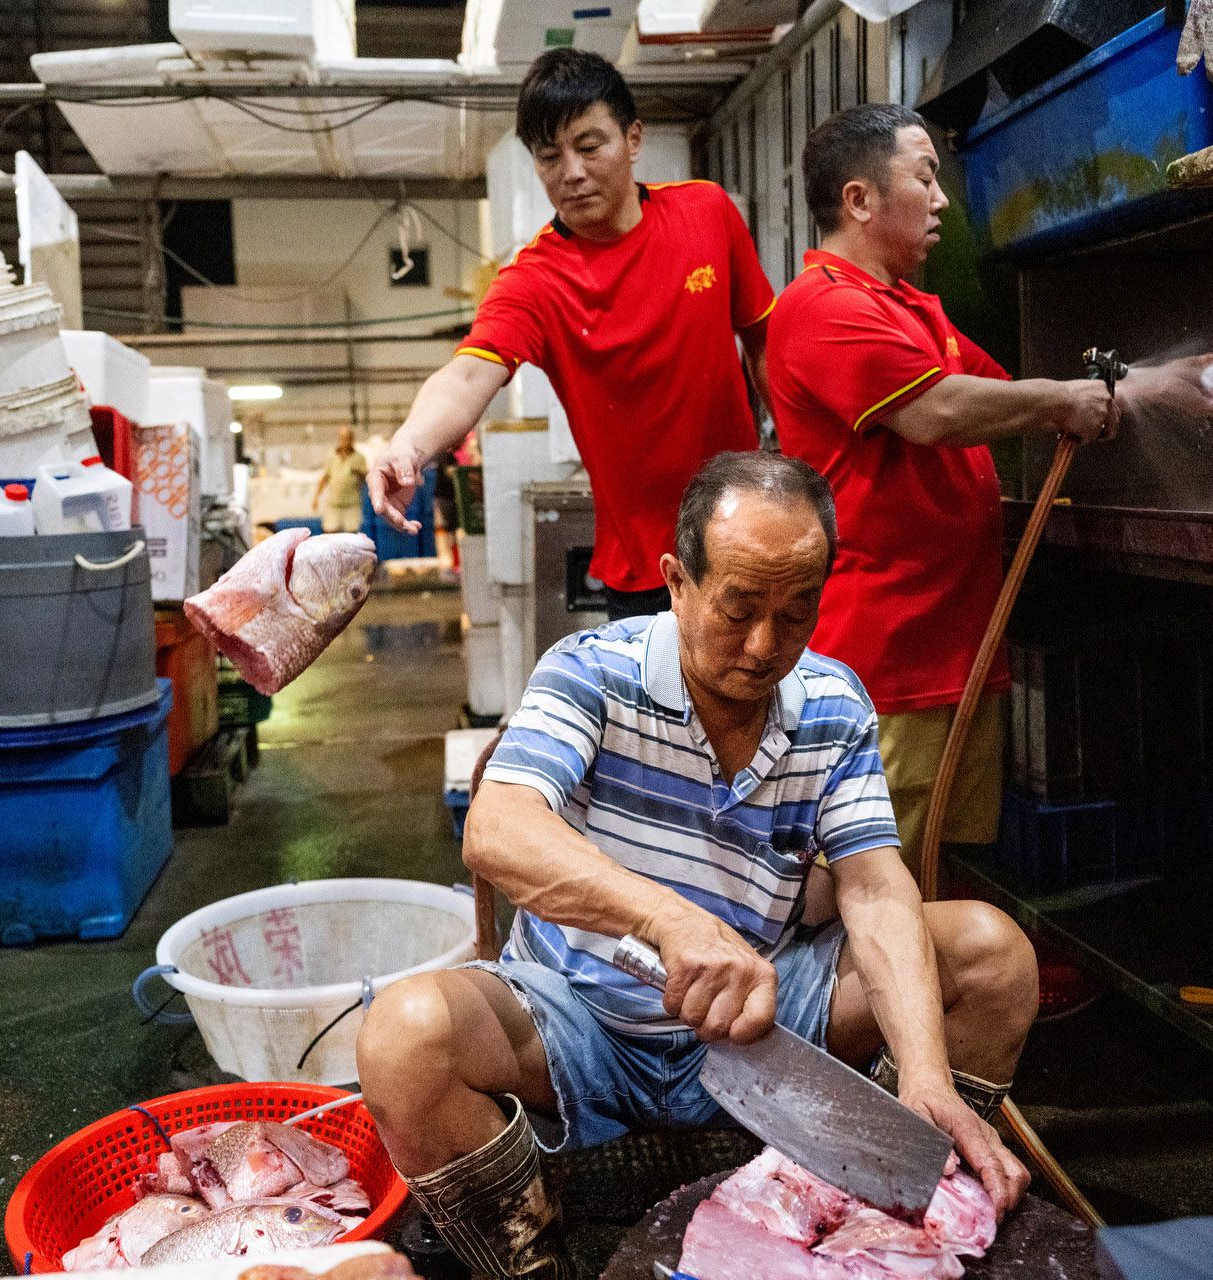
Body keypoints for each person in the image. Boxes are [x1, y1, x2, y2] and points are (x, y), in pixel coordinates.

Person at [357, 452, 1040, 1280]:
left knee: (989, 954)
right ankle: (533, 1267)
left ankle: (876, 1232)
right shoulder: (589, 673)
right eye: (739, 609)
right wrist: (667, 919)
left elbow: (870, 878)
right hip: (579, 1021)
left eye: (796, 614)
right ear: (677, 581)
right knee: (403, 1038)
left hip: (762, 1017)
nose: (764, 647)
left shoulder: (832, 701)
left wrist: (924, 1064)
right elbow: (498, 829)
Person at [764, 102, 1119, 860]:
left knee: (941, 887)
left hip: (957, 655)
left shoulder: (915, 313)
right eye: (925, 178)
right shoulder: (819, 308)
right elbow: (936, 411)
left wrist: (1140, 389)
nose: (943, 199)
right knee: (869, 894)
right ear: (859, 200)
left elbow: (1001, 395)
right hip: (885, 670)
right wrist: (1064, 399)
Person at [366, 48, 776, 622]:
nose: (572, 173)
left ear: (633, 139)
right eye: (549, 156)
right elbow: (465, 377)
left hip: (749, 540)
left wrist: (798, 462)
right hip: (646, 573)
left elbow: (766, 340)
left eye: (589, 146)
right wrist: (406, 446)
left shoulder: (706, 213)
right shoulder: (536, 280)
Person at [312, 426, 368, 533]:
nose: (344, 441)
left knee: (352, 536)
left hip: (352, 505)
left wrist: (359, 472)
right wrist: (316, 497)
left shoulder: (359, 458)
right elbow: (325, 478)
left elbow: (366, 479)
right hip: (334, 504)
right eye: (342, 438)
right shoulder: (331, 457)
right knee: (329, 533)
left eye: (347, 438)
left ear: (352, 439)